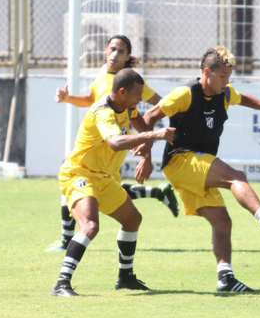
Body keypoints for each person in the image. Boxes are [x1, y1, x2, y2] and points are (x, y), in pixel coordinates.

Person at [138, 46, 260, 293]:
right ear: (207, 72)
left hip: (199, 161)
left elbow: (243, 98)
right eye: (223, 76)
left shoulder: (224, 93)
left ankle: (225, 278)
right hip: (180, 160)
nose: (227, 82)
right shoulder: (183, 94)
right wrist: (146, 155)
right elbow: (149, 117)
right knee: (236, 177)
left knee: (222, 221)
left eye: (229, 77)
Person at [47, 34, 178, 253]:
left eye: (121, 51)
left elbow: (158, 106)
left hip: (110, 149)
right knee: (85, 190)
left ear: (128, 57)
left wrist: (151, 146)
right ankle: (157, 193)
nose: (115, 54)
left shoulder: (130, 83)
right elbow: (90, 99)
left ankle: (66, 242)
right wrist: (68, 98)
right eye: (113, 49)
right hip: (95, 145)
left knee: (92, 192)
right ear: (105, 49)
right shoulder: (103, 73)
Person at [51, 68, 175, 297]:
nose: (141, 99)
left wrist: (147, 155)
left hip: (103, 178)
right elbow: (115, 142)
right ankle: (61, 284)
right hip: (79, 174)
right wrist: (154, 136)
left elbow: (143, 127)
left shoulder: (127, 108)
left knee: (132, 219)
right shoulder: (103, 111)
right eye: (138, 94)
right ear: (121, 91)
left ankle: (125, 277)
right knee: (90, 226)